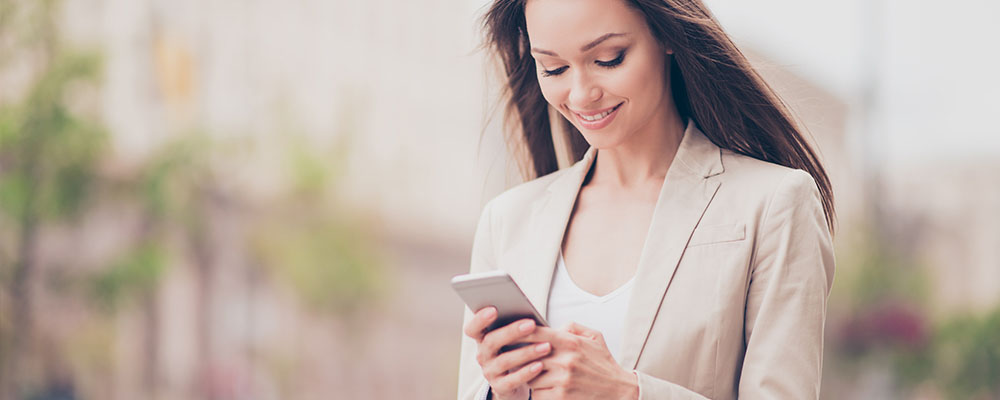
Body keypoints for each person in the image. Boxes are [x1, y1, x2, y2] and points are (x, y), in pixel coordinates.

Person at [457, 0, 835, 399]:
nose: (582, 95)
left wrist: (628, 392)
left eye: (609, 59)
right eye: (554, 68)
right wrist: (501, 391)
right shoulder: (507, 220)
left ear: (666, 35)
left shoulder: (773, 204)